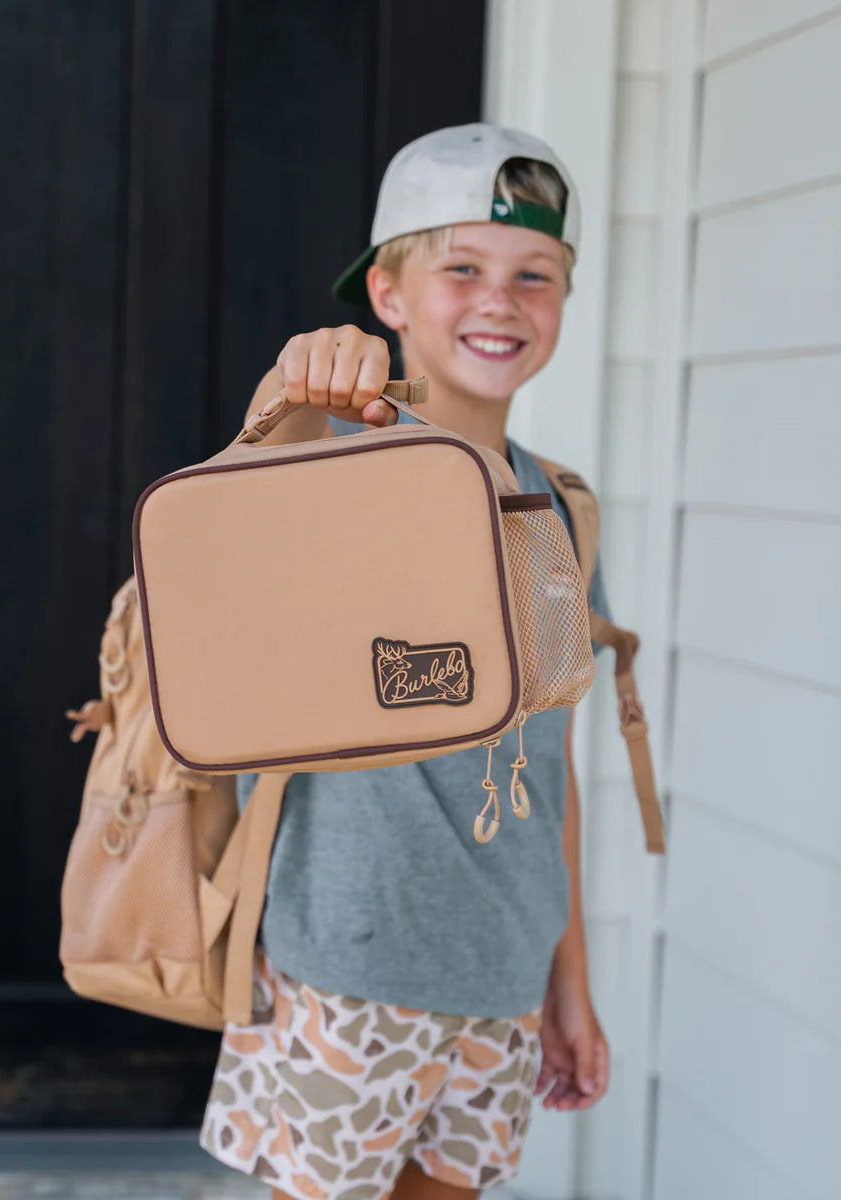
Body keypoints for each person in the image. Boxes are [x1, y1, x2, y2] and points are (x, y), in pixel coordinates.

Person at [200, 124, 612, 1200]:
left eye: (535, 275)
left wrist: (567, 981)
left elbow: (553, 771)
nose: (500, 301)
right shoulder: (326, 457)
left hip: (505, 977)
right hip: (345, 968)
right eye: (461, 268)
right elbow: (211, 587)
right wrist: (290, 396)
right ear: (386, 292)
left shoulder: (561, 507)